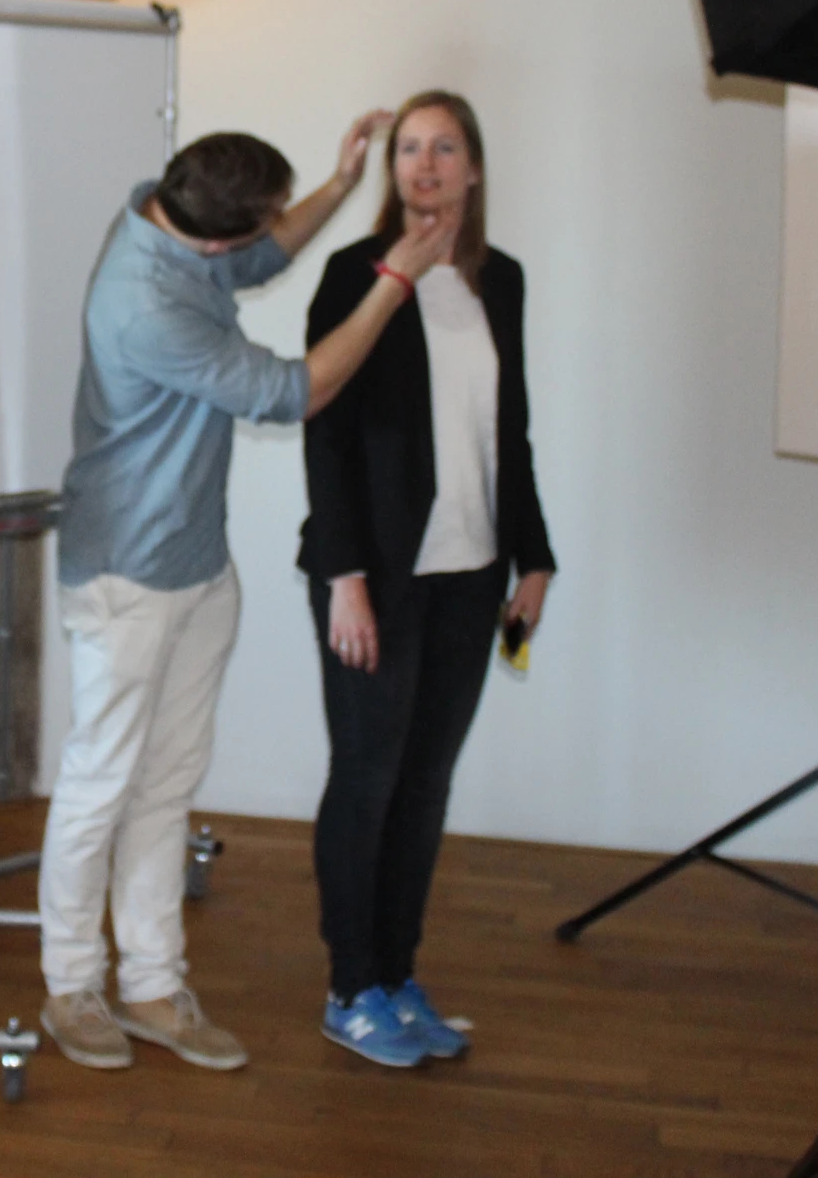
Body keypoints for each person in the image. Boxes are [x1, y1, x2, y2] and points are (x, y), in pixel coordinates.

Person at [39, 117, 458, 1074]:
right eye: (260, 220)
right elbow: (301, 388)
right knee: (101, 784)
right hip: (125, 578)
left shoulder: (164, 215)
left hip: (193, 565)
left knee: (166, 784)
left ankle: (151, 982)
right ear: (212, 230)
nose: (270, 234)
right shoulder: (146, 301)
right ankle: (71, 985)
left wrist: (348, 181)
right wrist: (395, 278)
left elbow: (263, 252)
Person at [299, 90, 555, 1067]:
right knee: (365, 780)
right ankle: (348, 985)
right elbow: (322, 431)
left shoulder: (504, 281)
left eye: (445, 146)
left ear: (474, 167)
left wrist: (535, 556)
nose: (425, 164)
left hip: (470, 575)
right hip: (378, 577)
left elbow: (511, 428)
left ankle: (397, 976)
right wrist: (343, 576)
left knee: (423, 783)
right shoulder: (350, 274)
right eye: (409, 147)